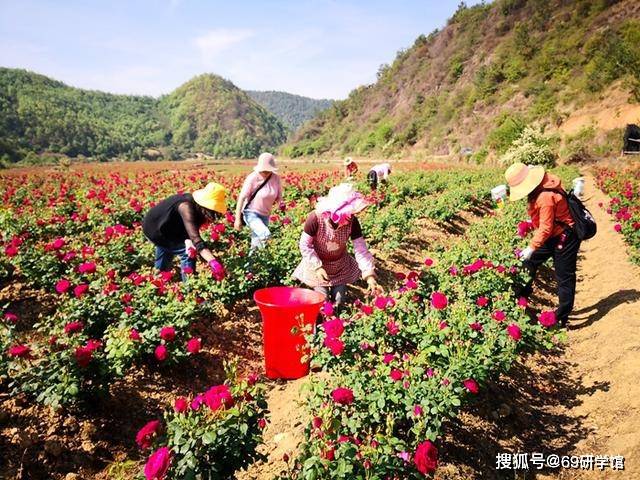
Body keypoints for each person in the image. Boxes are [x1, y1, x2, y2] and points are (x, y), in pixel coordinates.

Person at [505, 162, 580, 327]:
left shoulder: (544, 196)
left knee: (564, 277)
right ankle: (522, 296)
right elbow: (546, 223)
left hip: (564, 237)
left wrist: (531, 247)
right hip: (552, 233)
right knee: (528, 262)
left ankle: (561, 317)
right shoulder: (542, 183)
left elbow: (546, 228)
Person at [293, 183, 381, 309]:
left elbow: (360, 249)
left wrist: (369, 276)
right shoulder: (315, 218)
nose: (349, 216)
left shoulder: (352, 222)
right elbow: (305, 245)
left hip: (340, 267)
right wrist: (317, 267)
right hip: (317, 266)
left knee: (339, 299)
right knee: (322, 299)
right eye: (347, 213)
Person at [143, 182, 227, 281]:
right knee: (189, 251)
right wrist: (212, 261)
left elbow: (189, 231)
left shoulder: (197, 206)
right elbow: (196, 239)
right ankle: (188, 284)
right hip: (154, 229)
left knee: (169, 248)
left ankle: (159, 277)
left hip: (168, 228)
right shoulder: (185, 207)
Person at [234, 152, 282, 249]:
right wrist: (237, 219)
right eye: (263, 170)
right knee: (265, 234)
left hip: (265, 215)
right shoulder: (252, 178)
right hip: (251, 213)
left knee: (256, 245)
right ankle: (272, 253)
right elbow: (241, 198)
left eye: (268, 171)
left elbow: (279, 197)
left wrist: (280, 205)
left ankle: (252, 263)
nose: (265, 173)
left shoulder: (276, 178)